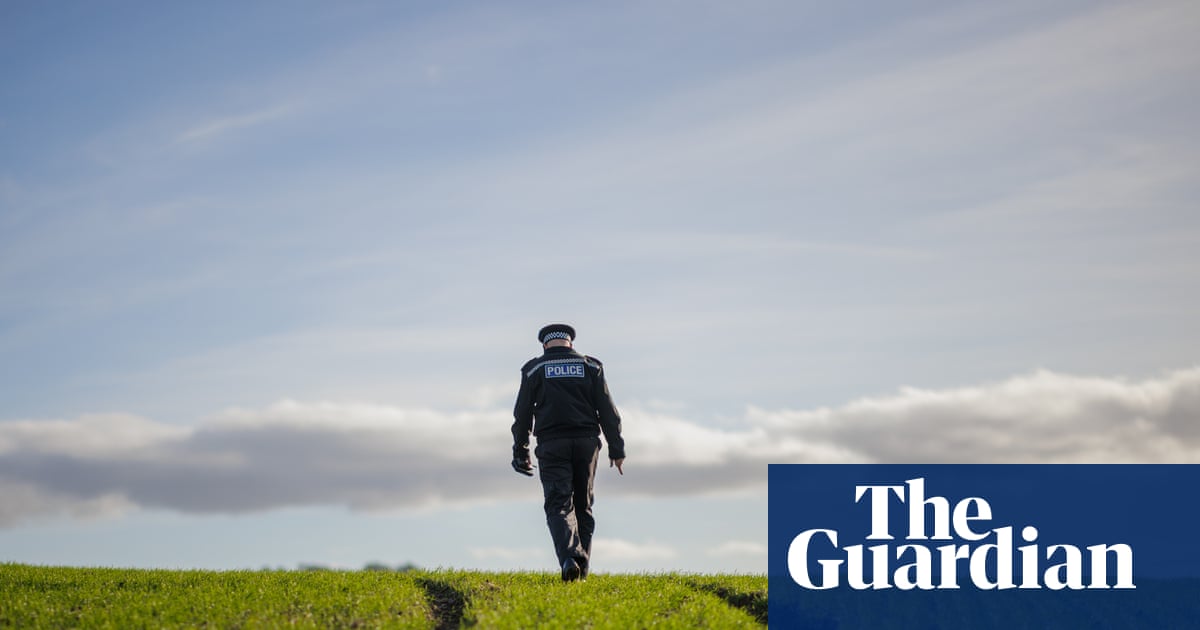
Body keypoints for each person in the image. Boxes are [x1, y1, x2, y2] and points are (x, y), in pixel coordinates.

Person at [511, 323, 625, 582]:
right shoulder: (591, 366)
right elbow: (608, 410)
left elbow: (522, 415)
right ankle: (580, 573)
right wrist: (616, 449)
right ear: (570, 343)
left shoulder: (534, 369)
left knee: (559, 503)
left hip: (552, 445)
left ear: (545, 345)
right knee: (583, 505)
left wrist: (521, 451)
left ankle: (570, 558)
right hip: (587, 443)